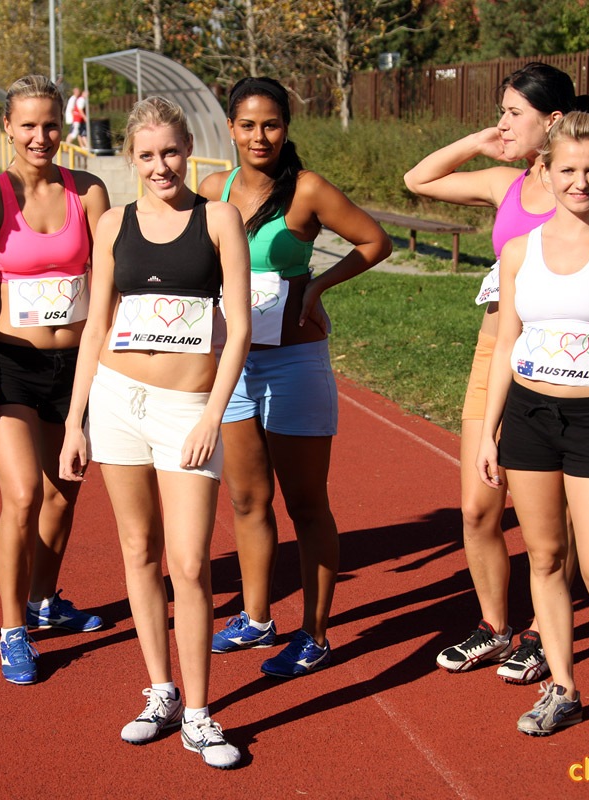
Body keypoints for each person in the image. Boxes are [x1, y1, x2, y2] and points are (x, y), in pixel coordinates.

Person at [403, 63, 589, 684]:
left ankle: (542, 633)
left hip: (564, 369)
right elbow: (417, 177)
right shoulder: (504, 182)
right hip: (497, 352)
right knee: (479, 508)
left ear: (552, 121)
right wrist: (481, 142)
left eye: (512, 113)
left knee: (548, 521)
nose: (502, 123)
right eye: (501, 112)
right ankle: (494, 626)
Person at [59, 97, 251, 768]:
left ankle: (200, 714)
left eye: (170, 151)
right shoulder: (113, 223)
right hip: (117, 401)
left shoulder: (220, 219)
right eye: (146, 155)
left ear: (188, 148)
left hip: (188, 408)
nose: (160, 165)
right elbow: (95, 325)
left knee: (192, 563)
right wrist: (75, 420)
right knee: (139, 550)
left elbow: (241, 331)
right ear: (132, 159)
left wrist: (210, 415)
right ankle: (161, 692)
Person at [198, 77, 391, 678]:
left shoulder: (305, 190)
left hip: (293, 359)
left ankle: (315, 632)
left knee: (307, 504)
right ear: (230, 127)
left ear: (286, 127)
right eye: (249, 125)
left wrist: (316, 286)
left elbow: (374, 240)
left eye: (272, 124)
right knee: (248, 499)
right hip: (235, 362)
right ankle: (257, 619)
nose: (261, 136)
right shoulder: (213, 190)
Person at [476, 111, 589, 749]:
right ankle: (563, 686)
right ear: (545, 172)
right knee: (547, 558)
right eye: (568, 170)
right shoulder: (518, 252)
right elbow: (506, 345)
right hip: (527, 416)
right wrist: (487, 430)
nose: (581, 182)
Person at [0, 75, 110, 685]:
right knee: (23, 494)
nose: (40, 136)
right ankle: (11, 630)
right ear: (8, 128)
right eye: (27, 125)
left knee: (62, 491)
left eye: (50, 124)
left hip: (77, 367)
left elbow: (109, 279)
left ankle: (44, 601)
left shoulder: (90, 191)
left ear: (64, 125)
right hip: (10, 366)